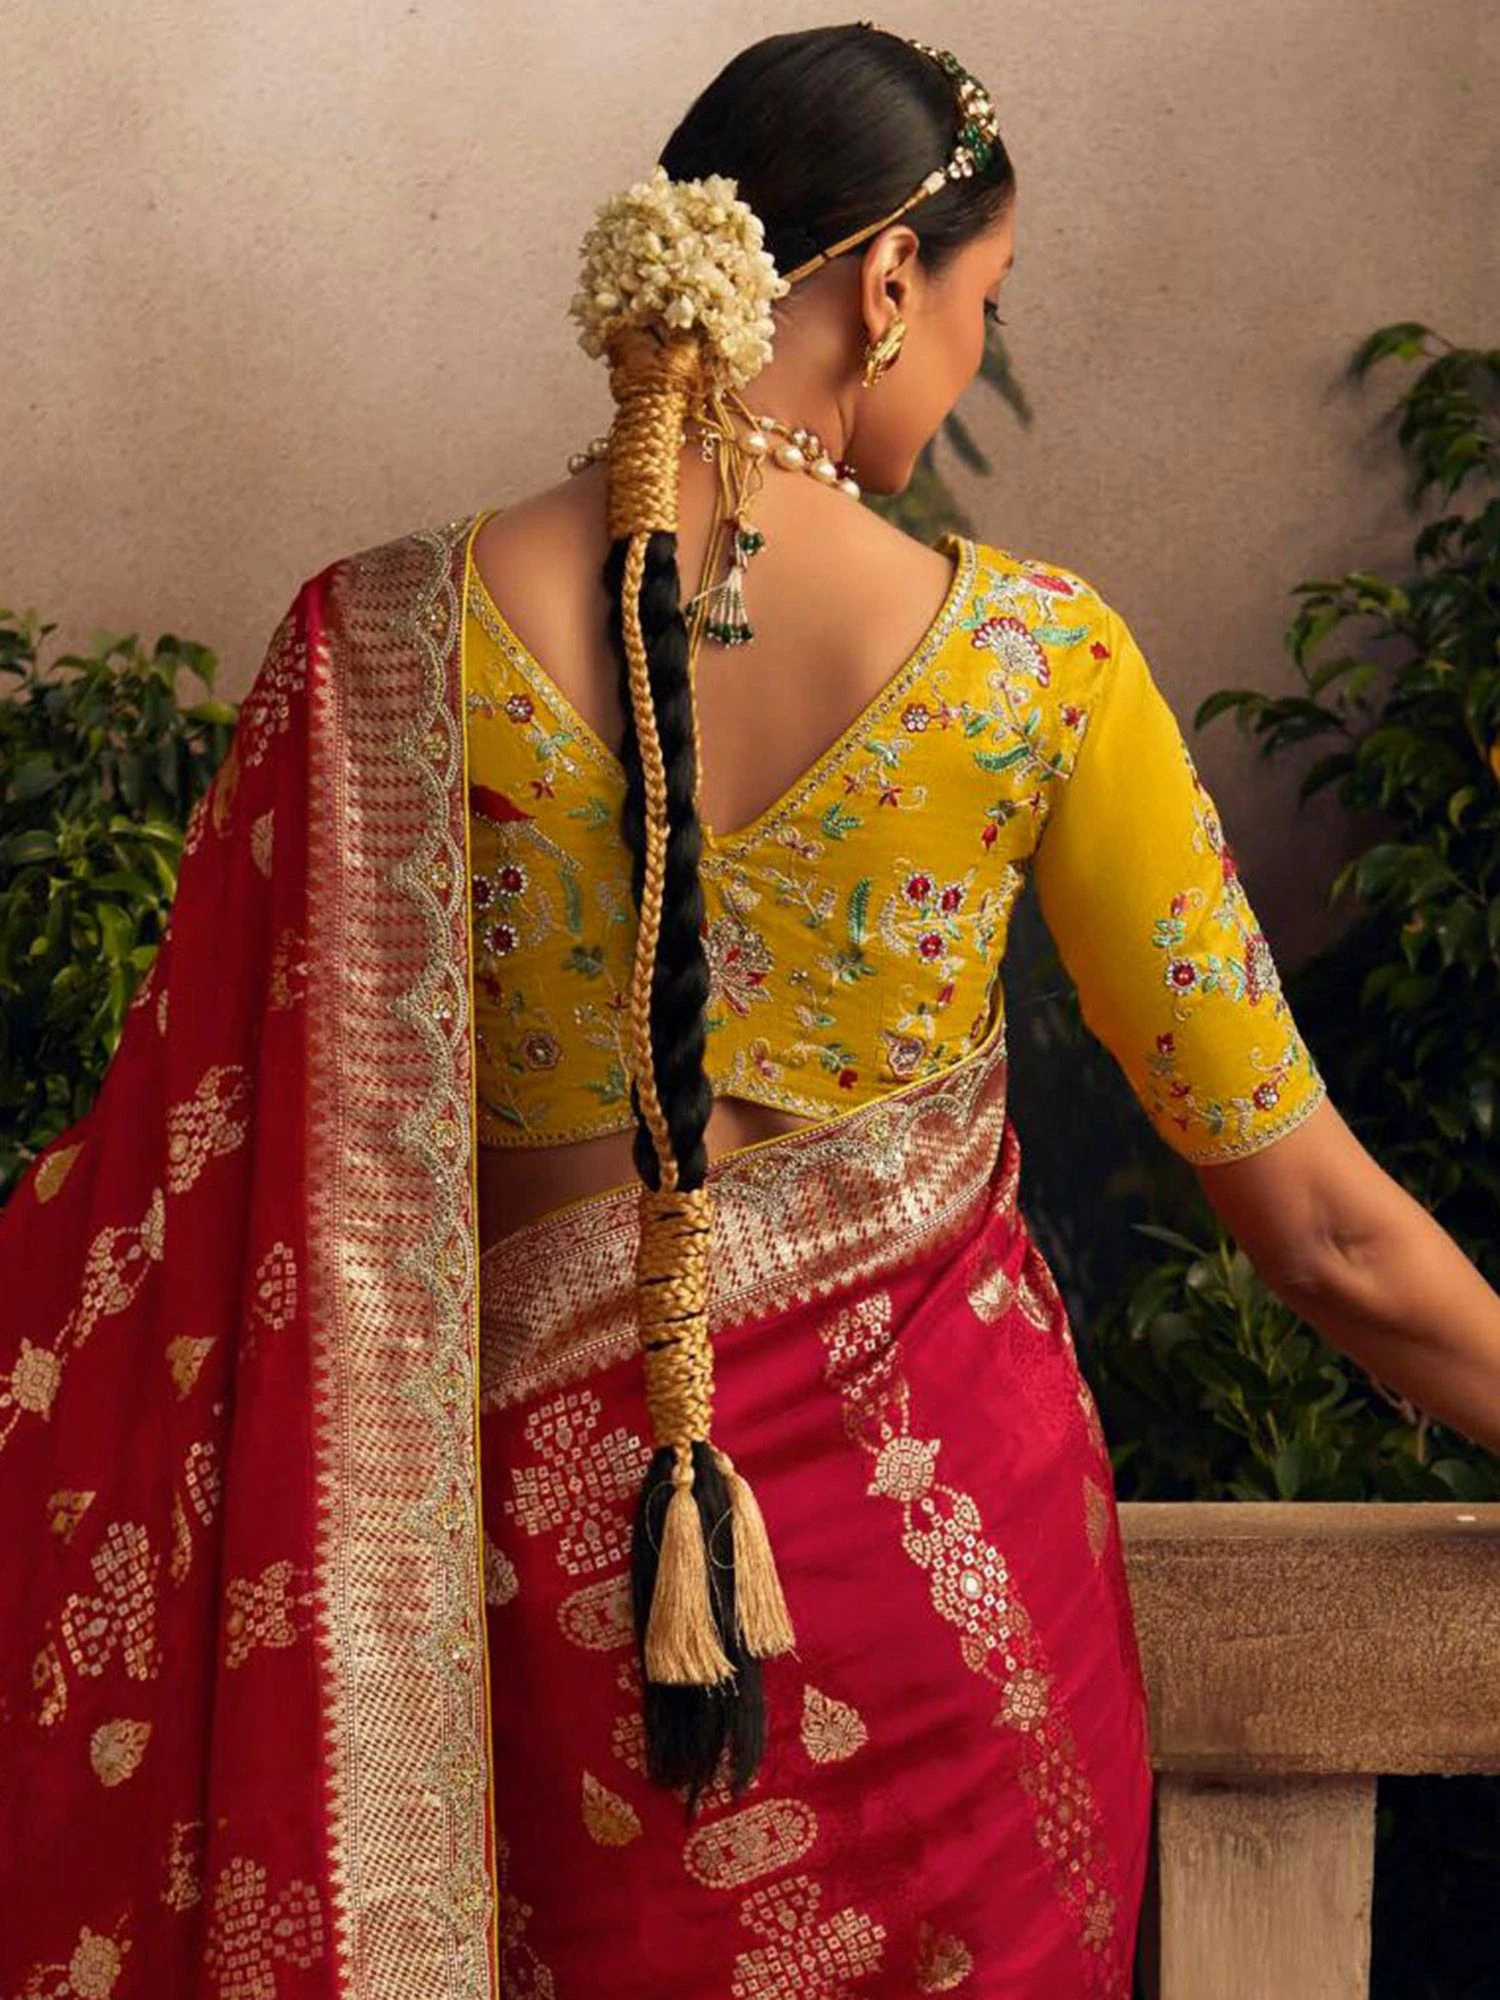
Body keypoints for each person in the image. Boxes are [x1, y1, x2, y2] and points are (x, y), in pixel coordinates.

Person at [4, 21, 1498, 2000]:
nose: (968, 356)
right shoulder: (1036, 668)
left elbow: (168, 1194)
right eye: (983, 305)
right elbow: (1322, 1233)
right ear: (888, 281)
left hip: (539, 1654)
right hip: (954, 1636)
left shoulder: (375, 642)